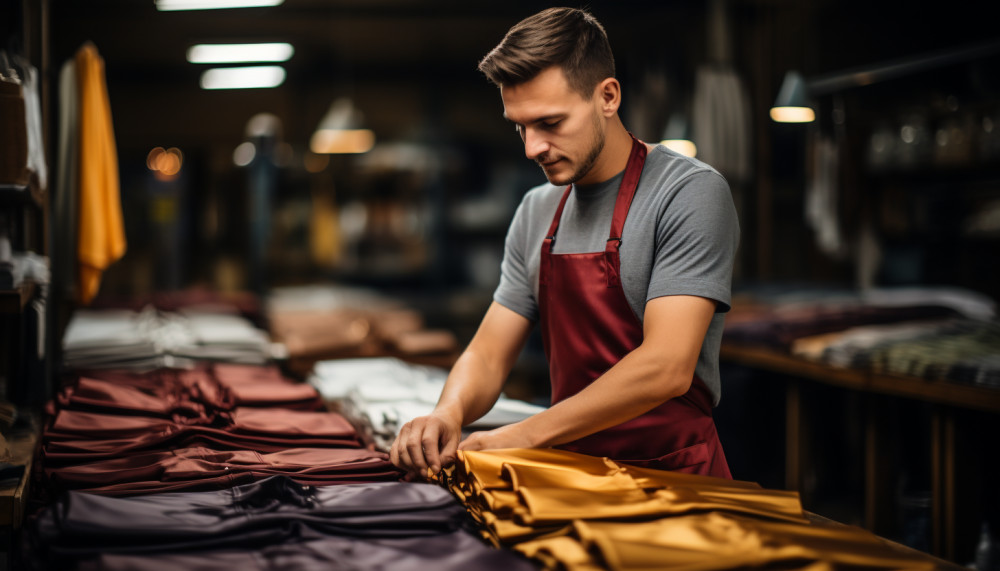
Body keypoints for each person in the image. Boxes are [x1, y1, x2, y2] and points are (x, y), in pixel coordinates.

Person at [390, 7, 739, 479]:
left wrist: (526, 434)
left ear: (608, 97)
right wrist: (448, 413)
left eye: (550, 123)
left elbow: (667, 365)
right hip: (570, 475)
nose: (532, 147)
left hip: (675, 477)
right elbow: (489, 353)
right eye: (520, 127)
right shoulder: (537, 210)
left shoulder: (688, 193)